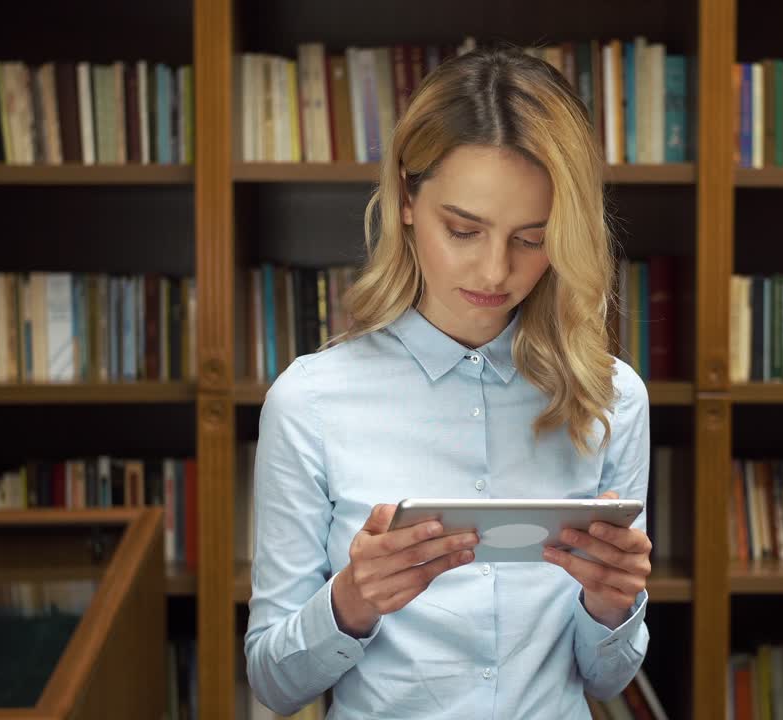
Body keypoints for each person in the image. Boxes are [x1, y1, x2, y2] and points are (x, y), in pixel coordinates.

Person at [244, 46, 652, 719]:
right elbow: (273, 682)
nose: (494, 272)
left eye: (531, 238)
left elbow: (605, 681)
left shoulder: (612, 399)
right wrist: (353, 600)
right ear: (407, 198)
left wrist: (611, 608)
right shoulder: (310, 402)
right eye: (463, 229)